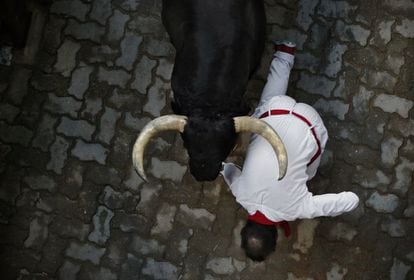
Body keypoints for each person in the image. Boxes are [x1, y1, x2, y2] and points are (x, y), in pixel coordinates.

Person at [221, 40, 359, 262]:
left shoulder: (296, 209)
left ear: (275, 236)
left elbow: (350, 200)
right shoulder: (240, 193)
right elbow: (228, 170)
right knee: (265, 107)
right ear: (245, 226)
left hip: (310, 121)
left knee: (309, 173)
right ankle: (284, 54)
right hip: (276, 108)